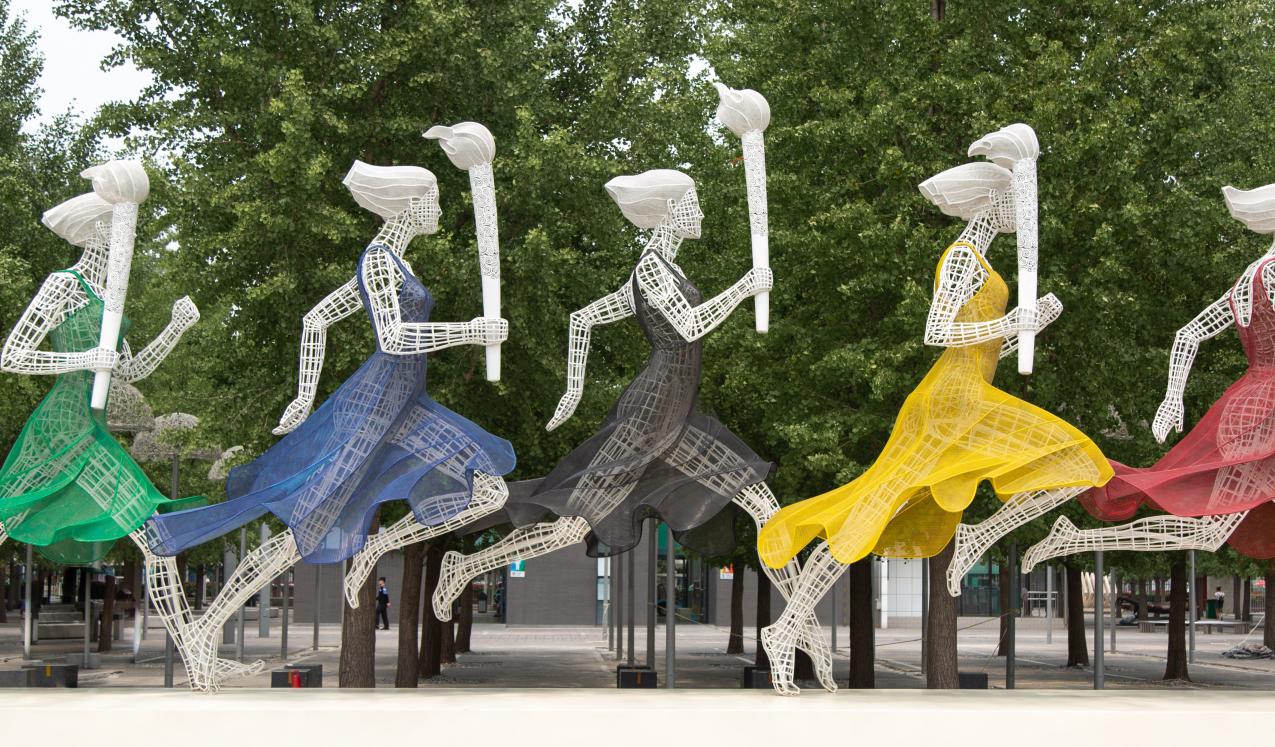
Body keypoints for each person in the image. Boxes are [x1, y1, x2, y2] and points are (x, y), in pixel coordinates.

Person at [426, 168, 835, 689]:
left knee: (766, 509)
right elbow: (688, 326)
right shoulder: (651, 271)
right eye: (693, 205)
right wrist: (744, 287)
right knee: (574, 525)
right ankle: (466, 565)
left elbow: (584, 318)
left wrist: (573, 391)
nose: (701, 214)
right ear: (668, 210)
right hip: (648, 417)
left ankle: (796, 633)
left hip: (678, 420)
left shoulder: (662, 267)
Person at [757, 127, 1112, 694]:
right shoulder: (962, 259)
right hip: (948, 400)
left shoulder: (987, 264)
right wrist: (1015, 324)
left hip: (969, 400)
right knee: (869, 514)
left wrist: (1018, 323)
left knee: (1079, 459)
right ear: (992, 203)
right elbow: (938, 330)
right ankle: (786, 629)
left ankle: (975, 537)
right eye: (1012, 201)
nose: (1020, 213)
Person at [143, 160, 513, 691]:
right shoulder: (379, 262)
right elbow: (393, 340)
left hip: (409, 409)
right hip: (372, 410)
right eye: (431, 196)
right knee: (306, 529)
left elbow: (316, 318)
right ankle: (205, 627)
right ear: (410, 204)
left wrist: (303, 393)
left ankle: (375, 551)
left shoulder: (398, 264)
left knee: (488, 490)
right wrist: (469, 332)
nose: (437, 206)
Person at [1023, 183, 1275, 574]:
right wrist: (1172, 396)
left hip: (1247, 407)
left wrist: (1173, 396)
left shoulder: (1249, 279)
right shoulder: (1273, 273)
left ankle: (1074, 538)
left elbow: (1188, 334)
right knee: (1206, 516)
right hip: (1265, 414)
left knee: (1211, 529)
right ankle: (1074, 523)